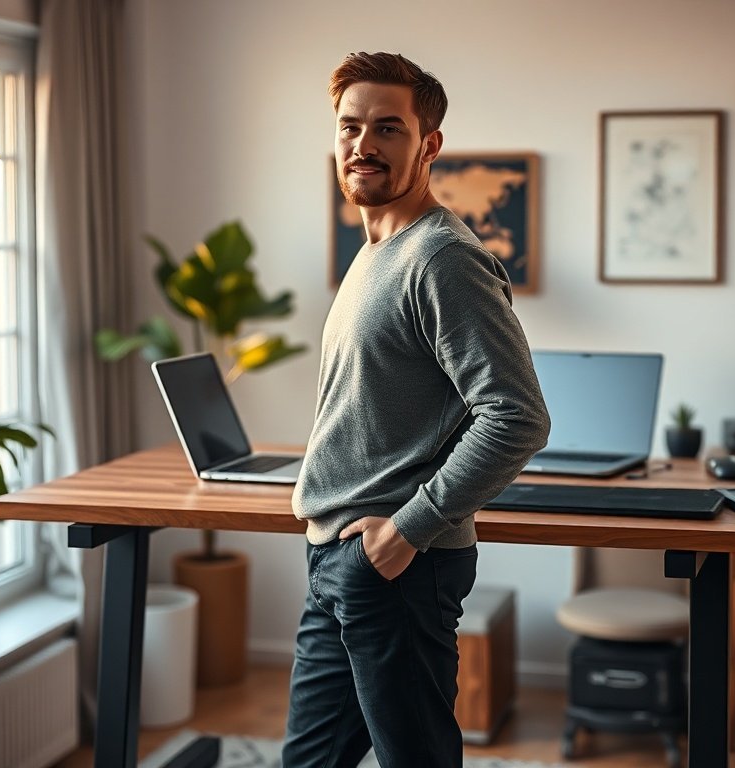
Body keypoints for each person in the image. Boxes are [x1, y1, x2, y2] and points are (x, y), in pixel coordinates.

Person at [282, 52, 550, 768]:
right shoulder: (375, 248)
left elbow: (517, 415)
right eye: (349, 127)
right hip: (339, 558)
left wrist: (406, 531)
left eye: (387, 129)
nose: (362, 145)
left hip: (394, 568)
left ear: (428, 145)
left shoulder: (441, 259)